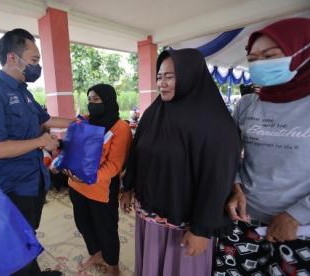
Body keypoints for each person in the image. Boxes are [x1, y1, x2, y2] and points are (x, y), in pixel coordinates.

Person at [120, 49, 241, 276]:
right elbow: (137, 153)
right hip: (150, 214)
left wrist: (202, 230)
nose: (162, 84)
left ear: (189, 76)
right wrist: (127, 188)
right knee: (150, 264)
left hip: (186, 227)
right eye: (159, 77)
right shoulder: (155, 112)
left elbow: (217, 179)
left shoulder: (215, 124)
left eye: (170, 76)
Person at [0, 28, 74, 276]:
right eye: (34, 60)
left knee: (24, 235)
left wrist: (78, 123)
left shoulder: (24, 93)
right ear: (12, 58)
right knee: (13, 246)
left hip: (33, 181)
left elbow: (47, 119)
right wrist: (40, 142)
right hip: (10, 186)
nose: (37, 67)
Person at [213, 18, 310, 275]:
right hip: (243, 219)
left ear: (302, 54)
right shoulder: (247, 105)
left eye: (270, 56)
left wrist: (296, 215)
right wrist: (235, 185)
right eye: (253, 59)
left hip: (299, 228)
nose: (259, 65)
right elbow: (229, 152)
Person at [65, 84, 132, 276]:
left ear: (108, 100)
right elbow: (72, 147)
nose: (91, 104)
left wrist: (89, 177)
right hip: (76, 185)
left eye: (96, 99)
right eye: (89, 99)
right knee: (83, 224)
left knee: (106, 228)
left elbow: (114, 165)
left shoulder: (120, 128)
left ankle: (113, 264)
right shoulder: (85, 121)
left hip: (100, 189)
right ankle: (97, 253)